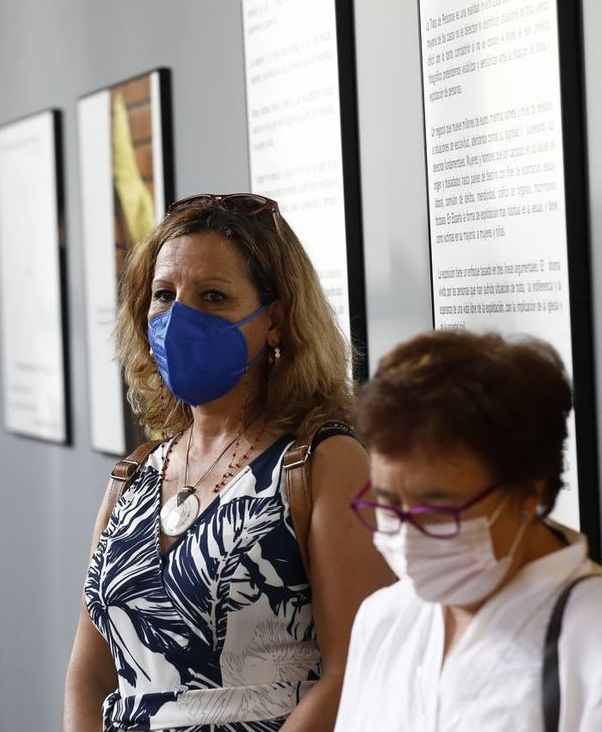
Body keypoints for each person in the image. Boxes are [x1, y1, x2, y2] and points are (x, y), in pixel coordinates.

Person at [63, 193, 394, 732]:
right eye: (164, 295)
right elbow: (89, 676)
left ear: (277, 321)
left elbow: (354, 669)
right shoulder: (133, 477)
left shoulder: (322, 463)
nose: (180, 318)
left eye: (213, 296)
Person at [334, 330, 602, 731]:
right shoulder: (384, 619)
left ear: (528, 492)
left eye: (436, 509)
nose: (405, 533)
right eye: (386, 503)